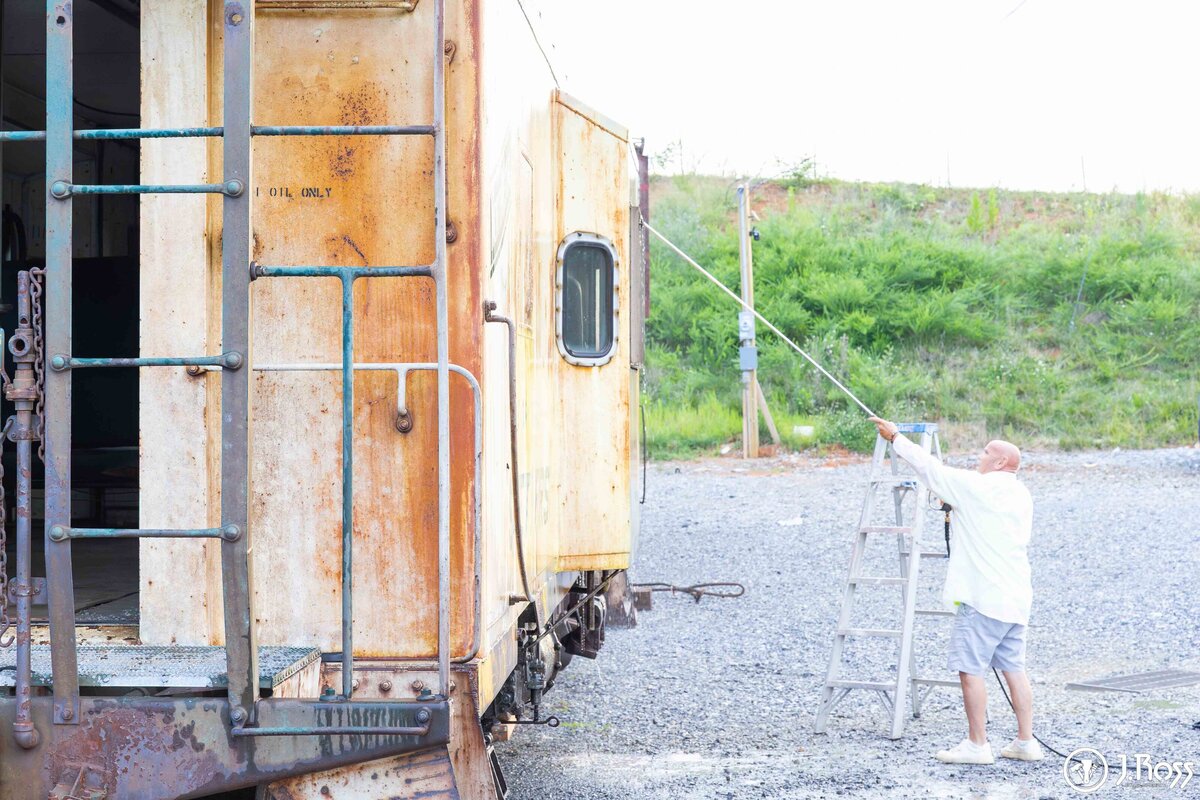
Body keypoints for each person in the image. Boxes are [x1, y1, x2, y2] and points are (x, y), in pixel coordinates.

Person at [868, 416, 1044, 765]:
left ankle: (977, 744)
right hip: (1016, 597)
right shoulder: (1021, 493)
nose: (980, 456)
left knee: (970, 669)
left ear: (1000, 462)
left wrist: (896, 437)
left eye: (986, 452)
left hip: (983, 598)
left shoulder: (977, 487)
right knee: (1014, 668)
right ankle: (1026, 741)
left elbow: (929, 468)